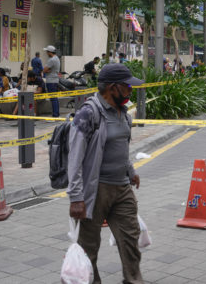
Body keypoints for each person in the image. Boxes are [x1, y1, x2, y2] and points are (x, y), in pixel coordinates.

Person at [68, 63, 144, 284]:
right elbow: (75, 158)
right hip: (95, 190)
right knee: (88, 247)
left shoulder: (124, 113)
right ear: (112, 87)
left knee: (131, 238)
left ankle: (133, 280)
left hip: (122, 187)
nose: (131, 91)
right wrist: (76, 197)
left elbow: (121, 146)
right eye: (128, 87)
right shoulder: (88, 114)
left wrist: (130, 170)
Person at [43, 45, 61, 117]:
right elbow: (47, 69)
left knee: (53, 98)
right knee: (55, 98)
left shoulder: (51, 60)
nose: (46, 53)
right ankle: (56, 113)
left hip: (51, 80)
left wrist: (47, 70)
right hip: (55, 80)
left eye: (47, 52)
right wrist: (48, 70)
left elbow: (44, 70)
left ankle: (55, 114)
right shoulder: (57, 58)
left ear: (50, 52)